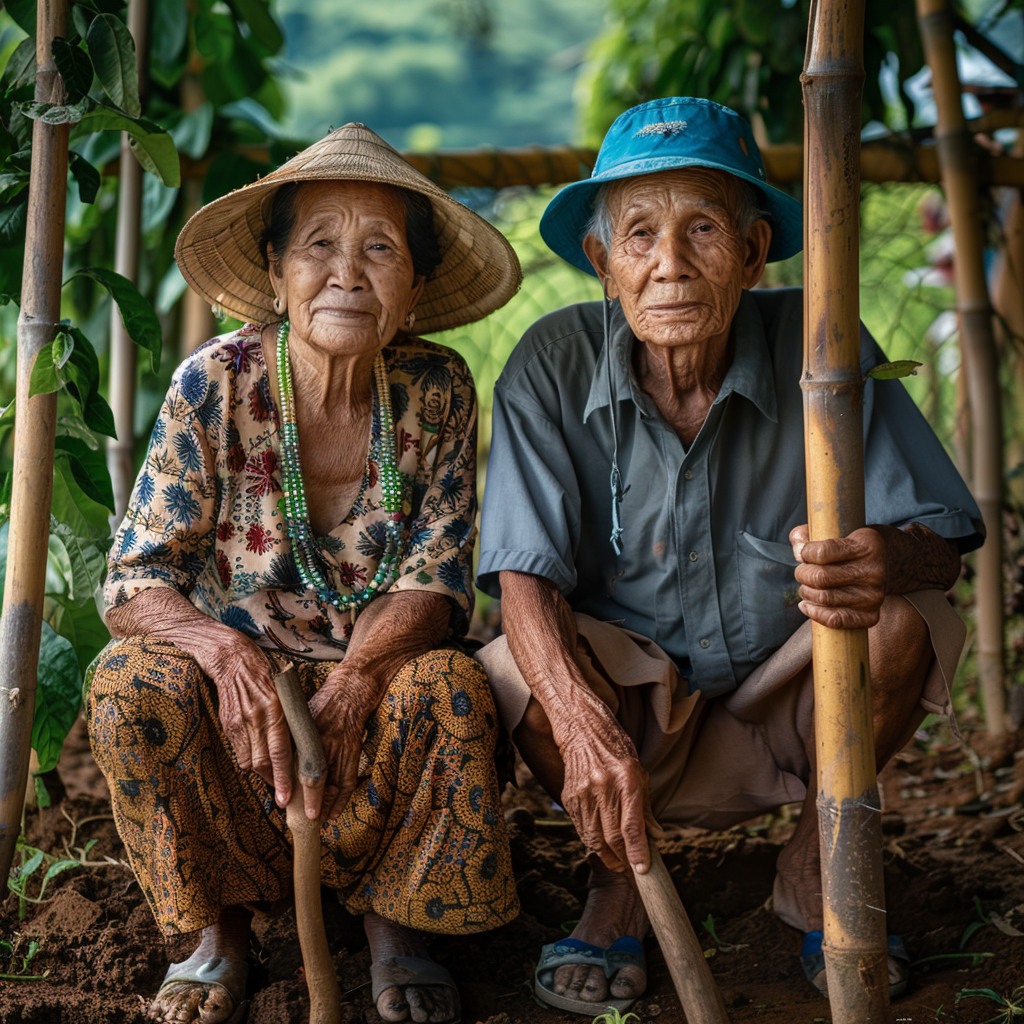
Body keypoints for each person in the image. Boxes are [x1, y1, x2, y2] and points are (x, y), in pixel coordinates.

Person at [474, 97, 982, 1015]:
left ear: (753, 253)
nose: (669, 265)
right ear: (601, 261)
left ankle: (816, 865)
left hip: (794, 696)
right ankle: (617, 880)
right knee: (518, 665)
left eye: (702, 228)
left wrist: (883, 557)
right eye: (639, 235)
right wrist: (584, 726)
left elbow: (941, 545)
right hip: (637, 716)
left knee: (909, 621)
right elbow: (523, 578)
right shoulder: (550, 364)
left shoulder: (823, 348)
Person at [87, 122, 522, 1024]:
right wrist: (220, 649)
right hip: (240, 720)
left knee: (447, 685)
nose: (348, 273)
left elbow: (438, 582)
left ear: (413, 285)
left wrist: (360, 677)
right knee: (130, 684)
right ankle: (219, 933)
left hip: (372, 713)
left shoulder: (436, 387)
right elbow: (133, 580)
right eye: (319, 245)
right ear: (278, 274)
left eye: (380, 250)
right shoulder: (214, 383)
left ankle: (399, 928)